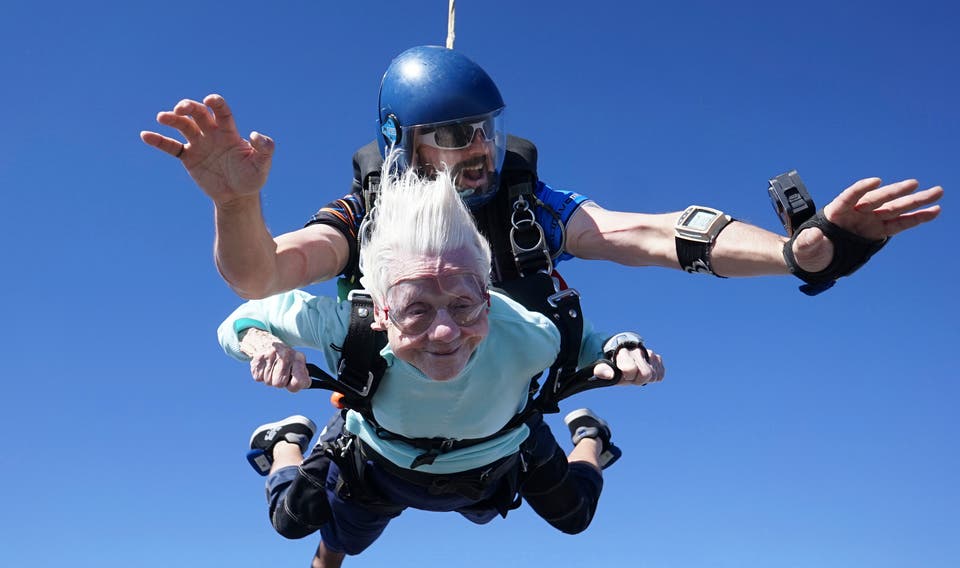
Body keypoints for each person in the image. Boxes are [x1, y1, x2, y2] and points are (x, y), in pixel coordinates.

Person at [141, 45, 942, 304]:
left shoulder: (531, 206)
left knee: (564, 510)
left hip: (498, 429)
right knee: (348, 512)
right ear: (400, 146)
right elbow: (262, 275)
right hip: (388, 424)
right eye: (451, 136)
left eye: (484, 131)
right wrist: (237, 207)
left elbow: (656, 235)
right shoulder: (367, 209)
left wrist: (799, 254)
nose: (478, 151)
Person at [217, 159, 665, 568]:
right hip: (380, 464)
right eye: (416, 310)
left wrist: (623, 347)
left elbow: (584, 338)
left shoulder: (528, 331)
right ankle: (287, 443)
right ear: (379, 312)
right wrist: (263, 344)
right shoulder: (347, 326)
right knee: (295, 523)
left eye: (464, 303)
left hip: (497, 458)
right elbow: (241, 319)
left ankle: (591, 439)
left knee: (575, 515)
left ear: (487, 298)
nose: (446, 332)